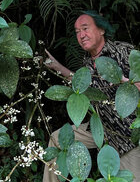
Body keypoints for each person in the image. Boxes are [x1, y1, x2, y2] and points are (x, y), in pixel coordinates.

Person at [42, 11, 140, 182]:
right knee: (57, 139)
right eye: (77, 31)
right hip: (100, 127)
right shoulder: (87, 62)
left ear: (101, 29)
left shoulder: (124, 51)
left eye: (85, 28)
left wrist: (128, 82)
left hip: (127, 135)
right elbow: (84, 85)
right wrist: (57, 67)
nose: (81, 35)